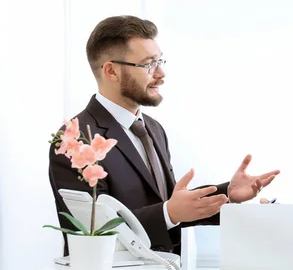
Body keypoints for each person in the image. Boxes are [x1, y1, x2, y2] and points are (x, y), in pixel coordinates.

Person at [49, 15, 279, 255]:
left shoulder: (153, 128)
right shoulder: (74, 142)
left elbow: (168, 207)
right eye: (149, 64)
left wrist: (226, 193)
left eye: (160, 61)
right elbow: (95, 232)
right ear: (111, 71)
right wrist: (169, 213)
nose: (161, 73)